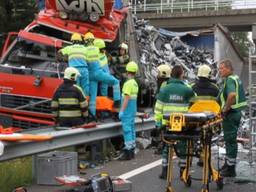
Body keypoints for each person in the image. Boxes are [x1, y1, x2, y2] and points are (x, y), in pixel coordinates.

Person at [154, 65, 195, 179]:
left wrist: (158, 123)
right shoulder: (187, 89)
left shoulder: (164, 89)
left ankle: (164, 170)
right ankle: (183, 170)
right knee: (183, 145)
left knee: (167, 145)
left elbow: (158, 108)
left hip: (167, 124)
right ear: (182, 75)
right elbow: (195, 103)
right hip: (183, 124)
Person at [218, 59, 247, 177]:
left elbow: (232, 95)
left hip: (230, 114)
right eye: (219, 68)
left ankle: (230, 169)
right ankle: (228, 163)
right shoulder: (235, 78)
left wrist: (225, 109)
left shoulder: (230, 80)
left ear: (229, 69)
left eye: (222, 68)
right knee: (230, 140)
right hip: (236, 113)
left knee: (230, 141)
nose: (220, 71)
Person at [84, 32, 121, 116]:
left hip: (90, 75)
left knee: (92, 97)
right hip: (98, 73)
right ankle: (117, 104)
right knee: (115, 82)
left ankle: (92, 115)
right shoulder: (98, 52)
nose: (104, 50)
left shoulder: (85, 50)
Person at [191, 64, 219, 166]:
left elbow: (189, 104)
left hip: (195, 119)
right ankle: (204, 157)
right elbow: (218, 104)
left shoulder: (192, 87)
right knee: (207, 138)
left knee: (194, 136)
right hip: (209, 119)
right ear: (209, 75)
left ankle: (194, 151)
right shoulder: (215, 88)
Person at [117, 61, 139, 160]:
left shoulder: (128, 84)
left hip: (127, 110)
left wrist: (121, 110)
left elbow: (126, 98)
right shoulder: (135, 83)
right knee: (132, 128)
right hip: (132, 109)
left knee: (127, 130)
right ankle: (132, 149)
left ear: (127, 71)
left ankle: (128, 152)